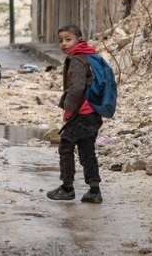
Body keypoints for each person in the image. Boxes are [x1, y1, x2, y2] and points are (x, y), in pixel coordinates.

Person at [47, 24, 103, 204]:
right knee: (87, 150)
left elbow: (77, 88)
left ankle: (67, 188)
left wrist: (69, 110)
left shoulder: (78, 60)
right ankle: (94, 190)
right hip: (94, 112)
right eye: (60, 40)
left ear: (79, 40)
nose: (63, 44)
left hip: (81, 112)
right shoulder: (90, 55)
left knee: (66, 146)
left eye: (68, 39)